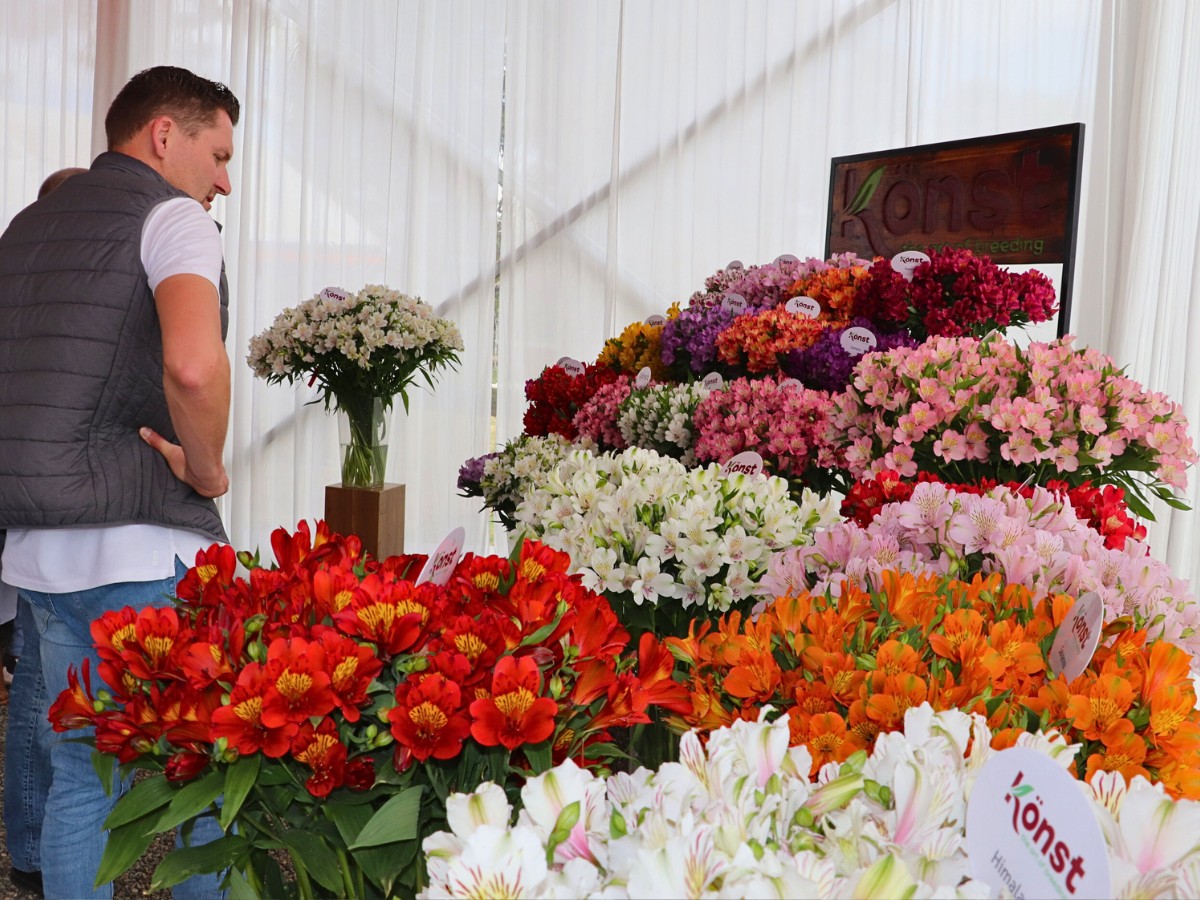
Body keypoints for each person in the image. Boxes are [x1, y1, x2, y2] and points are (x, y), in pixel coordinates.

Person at [0, 66, 239, 898]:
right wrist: (206, 470)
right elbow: (194, 364)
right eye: (216, 153)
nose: (224, 180)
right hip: (137, 545)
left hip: (35, 546)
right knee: (205, 775)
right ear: (163, 136)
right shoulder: (172, 219)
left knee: (81, 774)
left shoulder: (29, 227)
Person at [1, 165, 91, 897]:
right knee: (42, 694)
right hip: (48, 520)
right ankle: (32, 849)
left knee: (42, 687)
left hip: (35, 515)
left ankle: (36, 847)